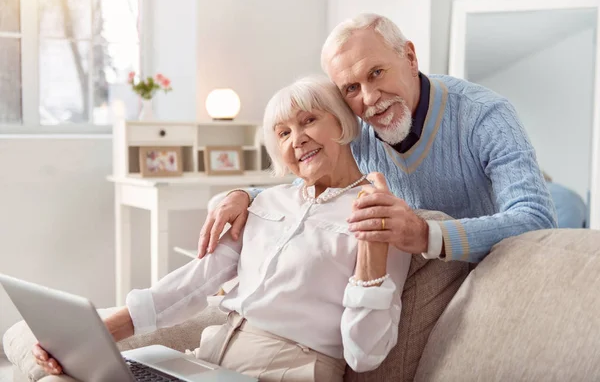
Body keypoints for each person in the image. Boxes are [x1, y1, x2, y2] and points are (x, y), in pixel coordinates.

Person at [33, 76, 411, 381]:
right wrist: (89, 335)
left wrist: (371, 256)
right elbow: (196, 281)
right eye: (283, 133)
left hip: (290, 369)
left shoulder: (379, 212)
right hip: (209, 362)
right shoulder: (265, 202)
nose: (297, 140)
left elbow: (365, 355)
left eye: (309, 121)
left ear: (342, 124)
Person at [198, 13, 557, 264]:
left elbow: (537, 220)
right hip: (406, 282)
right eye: (351, 88)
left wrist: (426, 235)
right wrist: (244, 195)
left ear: (410, 58)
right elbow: (309, 185)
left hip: (486, 274)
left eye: (377, 73)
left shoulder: (485, 115)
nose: (369, 99)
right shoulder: (356, 130)